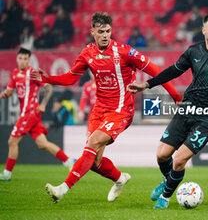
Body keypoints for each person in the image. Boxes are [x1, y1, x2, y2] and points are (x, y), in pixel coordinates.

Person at [30, 12, 182, 203]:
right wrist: (48, 79)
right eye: (100, 31)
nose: (105, 35)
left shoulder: (125, 52)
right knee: (94, 162)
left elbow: (156, 71)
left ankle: (62, 189)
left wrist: (175, 95)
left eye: (108, 31)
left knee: (92, 143)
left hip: (121, 111)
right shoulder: (87, 52)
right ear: (92, 31)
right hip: (98, 111)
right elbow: (71, 77)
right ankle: (120, 179)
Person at [127, 12, 208, 209]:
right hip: (187, 109)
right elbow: (174, 71)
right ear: (204, 31)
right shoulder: (193, 52)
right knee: (162, 155)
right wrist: (146, 85)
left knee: (179, 159)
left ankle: (165, 198)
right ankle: (169, 181)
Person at [0, 48, 74, 181]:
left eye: (25, 58)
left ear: (29, 60)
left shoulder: (32, 73)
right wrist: (5, 94)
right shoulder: (15, 73)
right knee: (42, 143)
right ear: (16, 59)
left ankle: (7, 174)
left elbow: (49, 88)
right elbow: (10, 91)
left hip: (30, 113)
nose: (22, 61)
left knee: (12, 141)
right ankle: (69, 161)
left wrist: (43, 104)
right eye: (20, 58)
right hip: (29, 114)